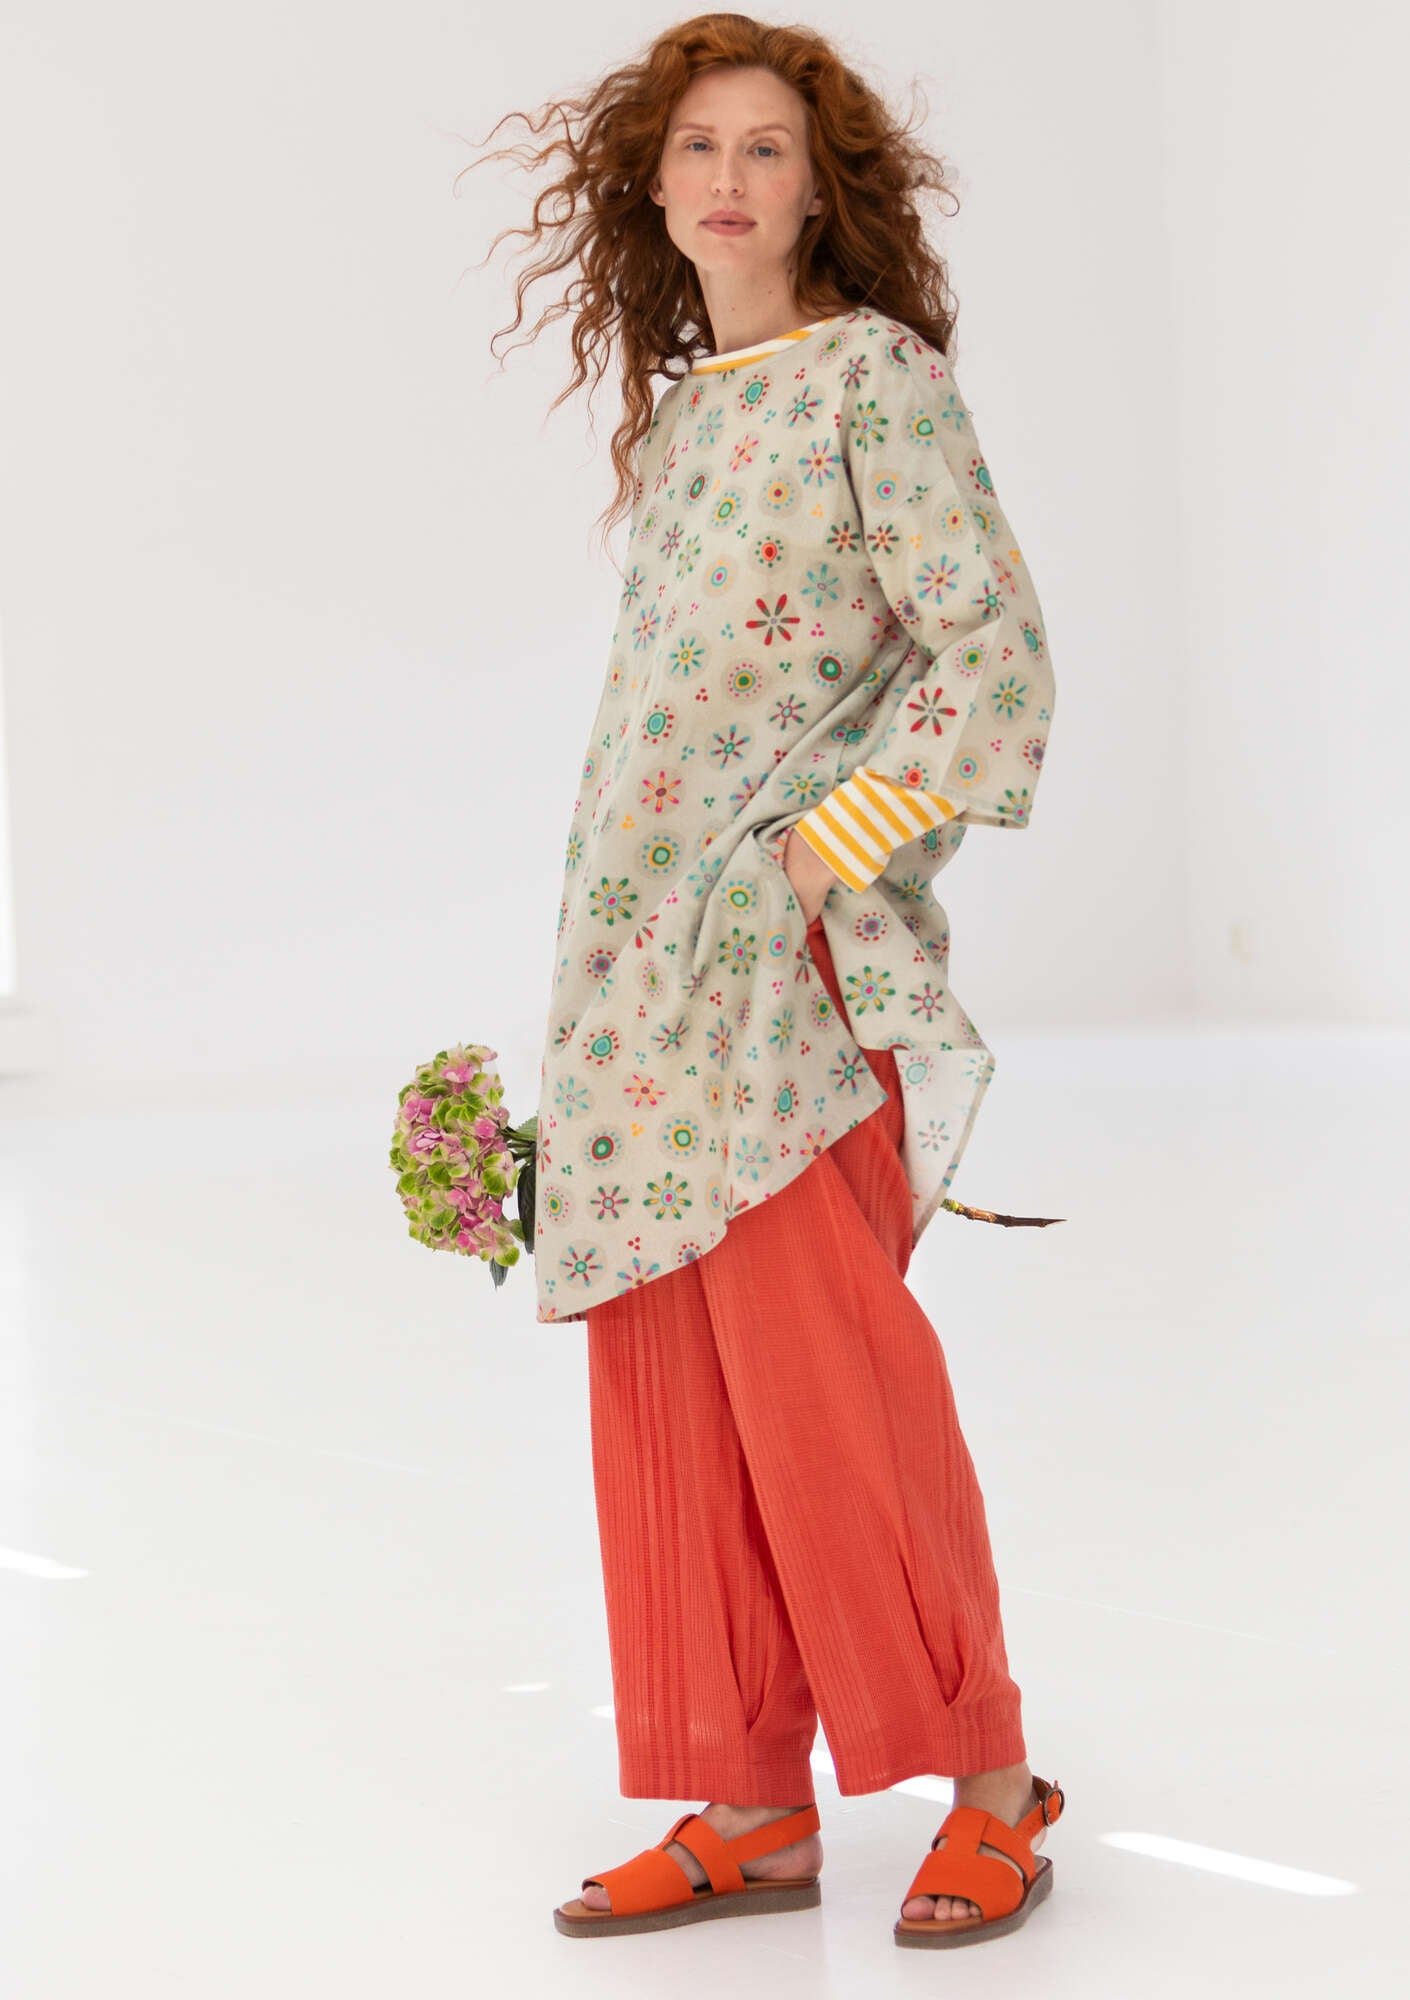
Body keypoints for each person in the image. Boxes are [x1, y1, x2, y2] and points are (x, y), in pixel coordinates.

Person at [469, 11, 1063, 1949]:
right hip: (638, 978)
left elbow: (992, 661)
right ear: (653, 188)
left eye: (766, 150)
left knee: (834, 1395)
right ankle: (746, 1804)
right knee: (673, 1404)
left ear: (819, 192)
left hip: (794, 978)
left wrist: (825, 857)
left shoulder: (870, 379)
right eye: (699, 148)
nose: (727, 178)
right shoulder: (685, 418)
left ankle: (989, 1782)